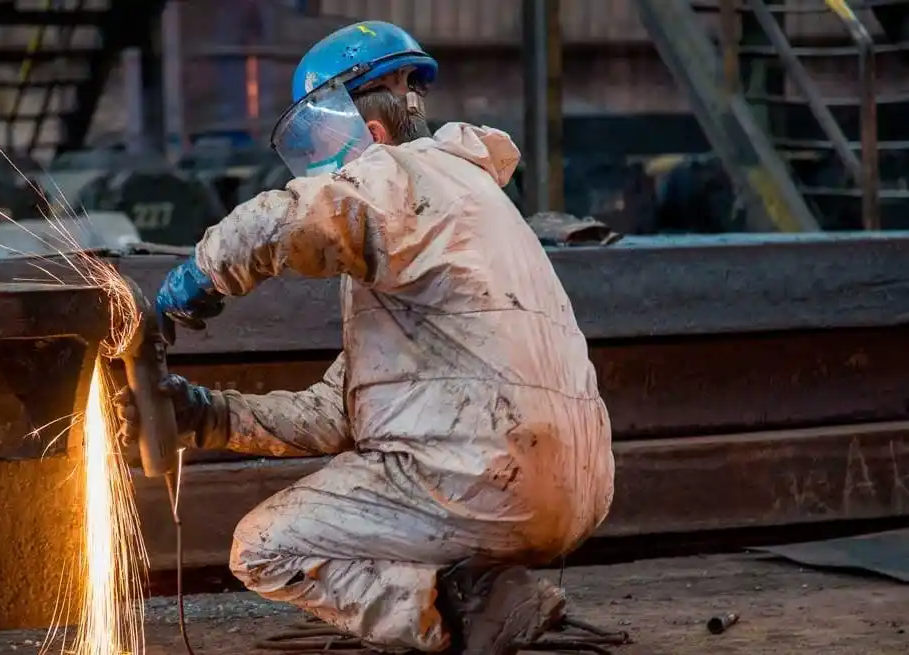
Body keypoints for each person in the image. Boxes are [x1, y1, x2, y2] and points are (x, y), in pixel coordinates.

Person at [117, 20, 615, 655]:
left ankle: (463, 612)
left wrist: (193, 281)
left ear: (369, 131)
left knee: (264, 547)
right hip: (578, 486)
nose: (321, 169)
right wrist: (209, 416)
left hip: (482, 479)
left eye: (321, 144)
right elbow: (339, 412)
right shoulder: (464, 211)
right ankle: (485, 590)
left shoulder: (400, 175)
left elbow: (277, 224)